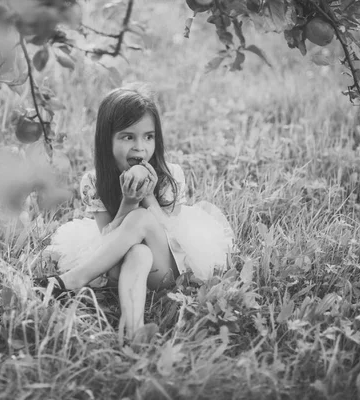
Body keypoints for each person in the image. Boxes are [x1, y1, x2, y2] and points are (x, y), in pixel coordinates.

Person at [37, 83, 235, 339]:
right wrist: (128, 202)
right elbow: (106, 238)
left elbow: (173, 232)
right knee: (138, 252)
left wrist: (148, 198)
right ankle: (134, 332)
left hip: (167, 269)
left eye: (148, 137)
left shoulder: (170, 175)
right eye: (128, 137)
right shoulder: (94, 181)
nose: (140, 147)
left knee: (142, 219)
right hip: (118, 268)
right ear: (107, 140)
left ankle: (74, 279)